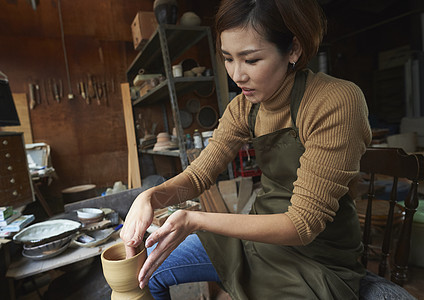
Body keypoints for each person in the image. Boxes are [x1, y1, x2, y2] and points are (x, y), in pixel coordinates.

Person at [120, 0, 372, 299]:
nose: (236, 75)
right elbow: (200, 175)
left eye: (250, 60)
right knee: (146, 274)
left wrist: (195, 219)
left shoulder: (335, 101)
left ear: (293, 49)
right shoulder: (243, 108)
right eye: (228, 58)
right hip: (253, 239)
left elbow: (303, 225)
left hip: (315, 256)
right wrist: (150, 196)